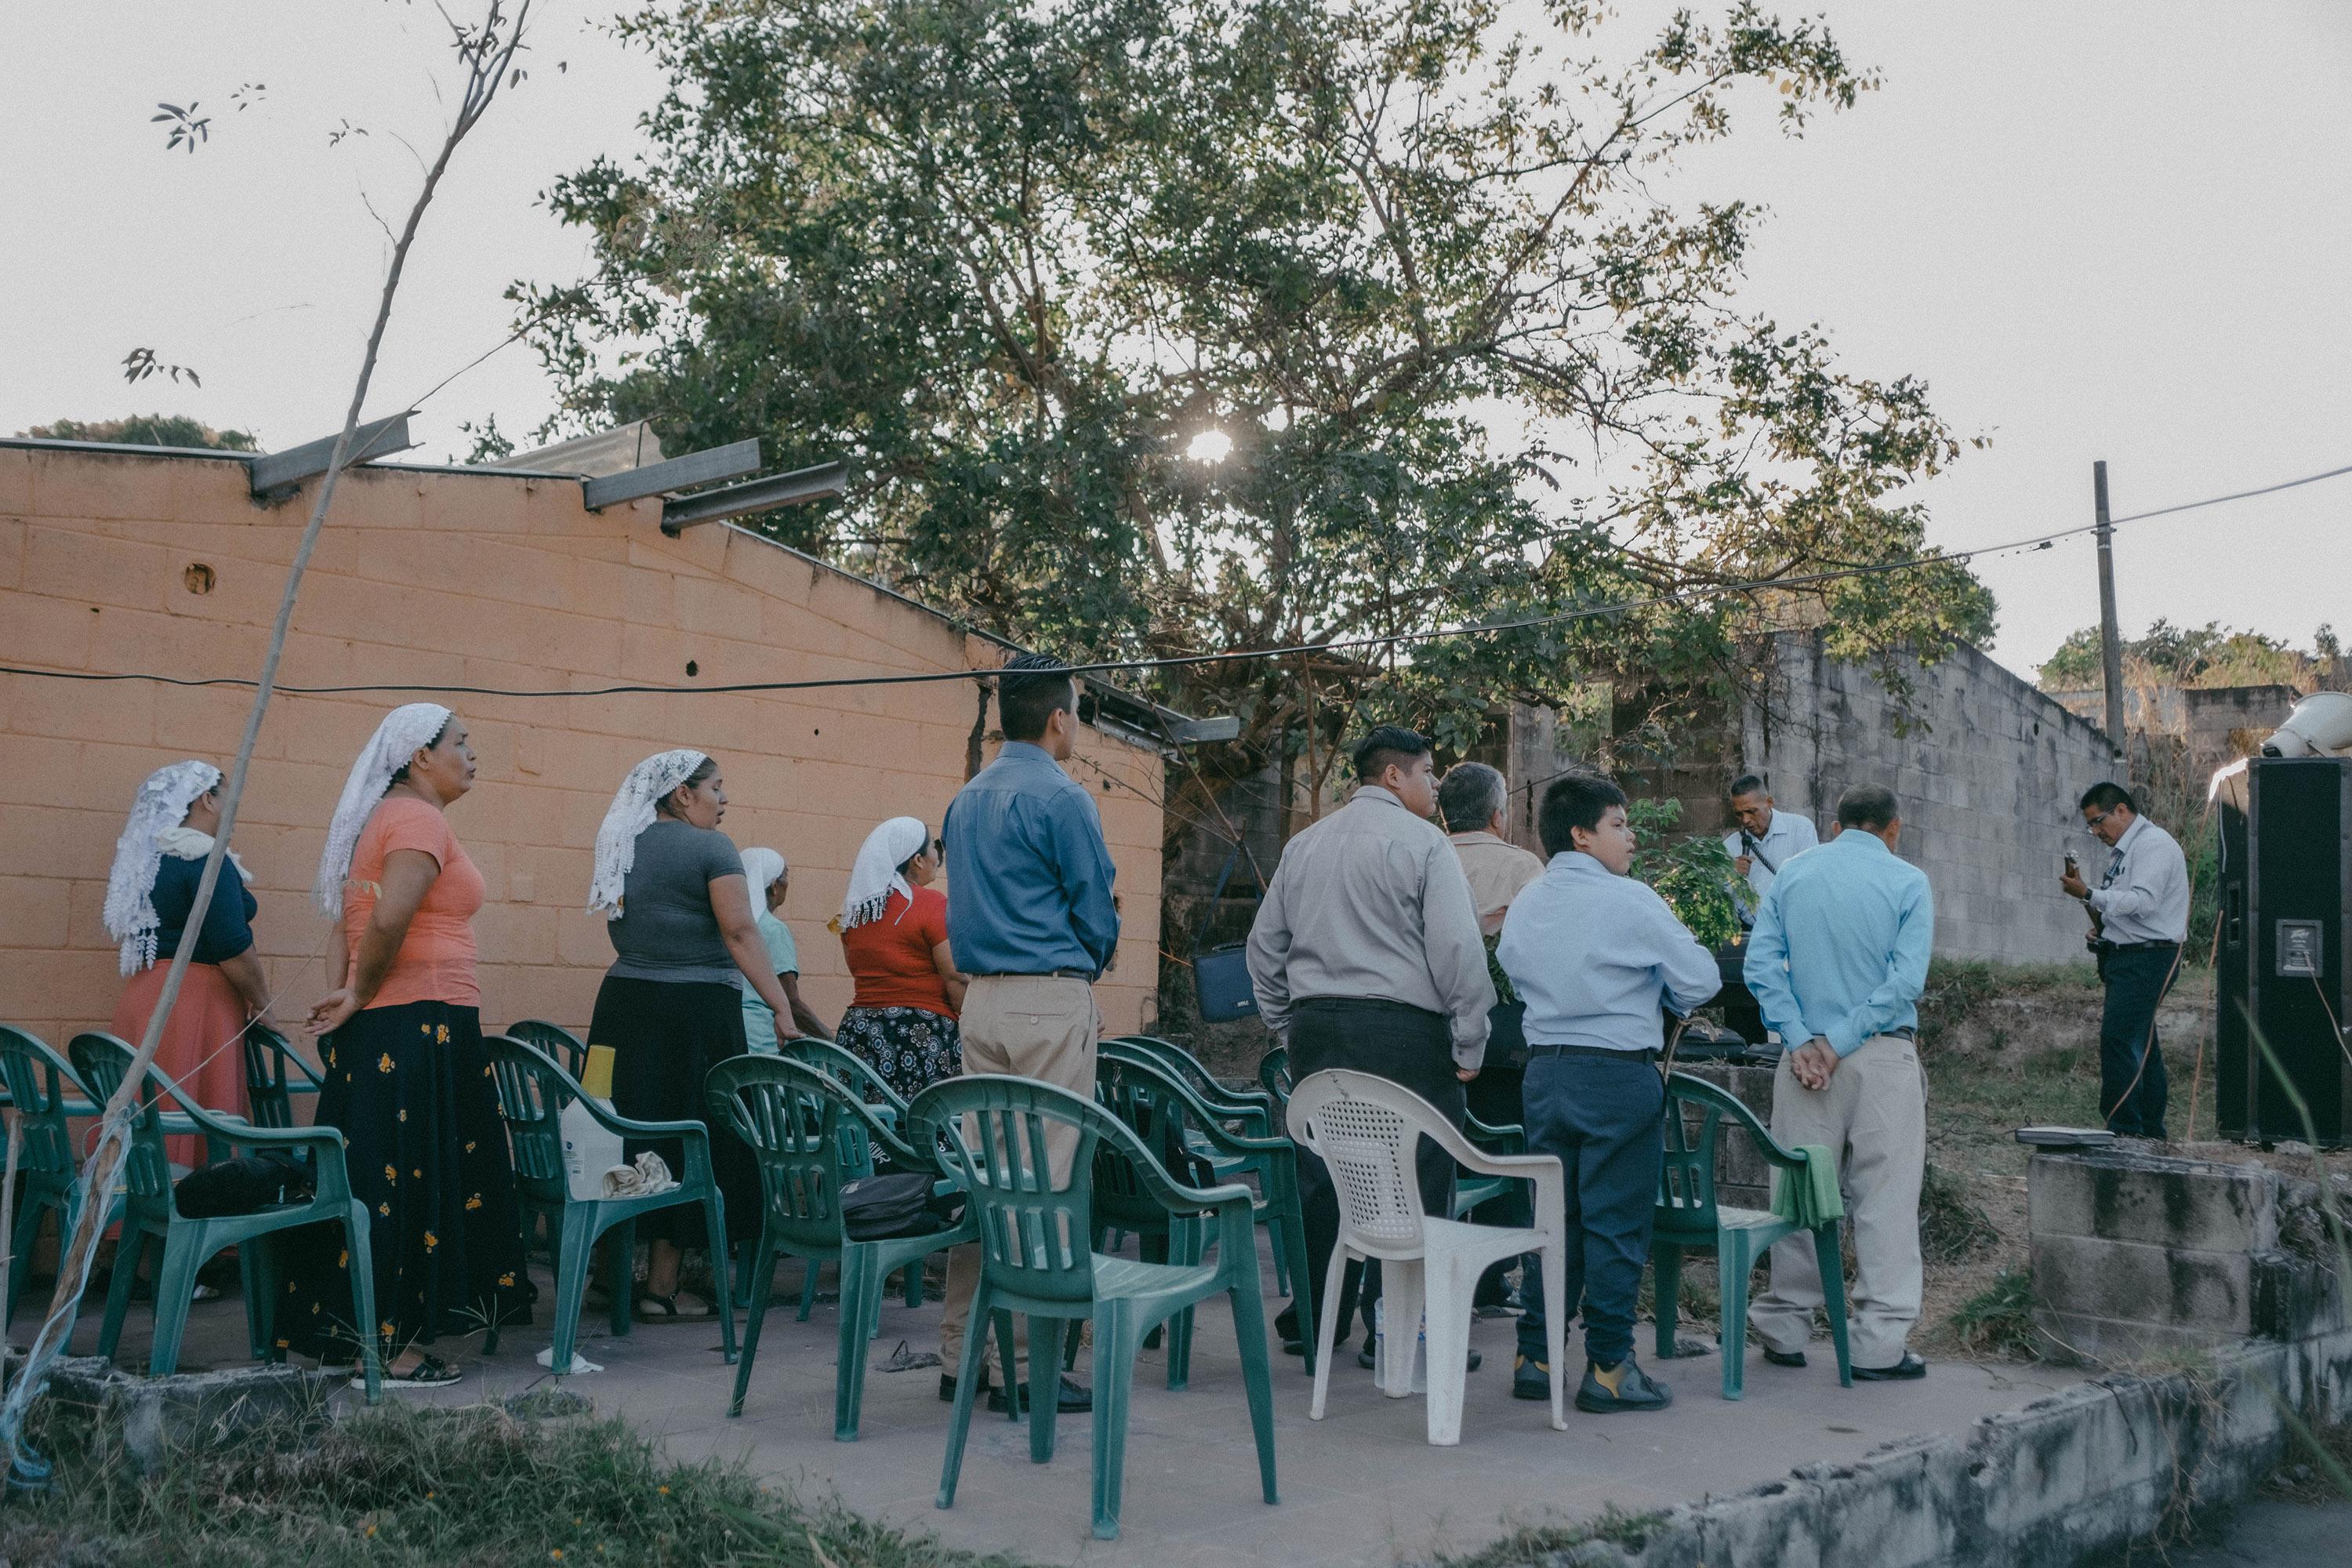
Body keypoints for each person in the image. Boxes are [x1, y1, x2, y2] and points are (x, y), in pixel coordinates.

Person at [294, 704, 529, 1389]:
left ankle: (363, 1335)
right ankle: (391, 1349)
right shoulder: (419, 819)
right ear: (420, 756)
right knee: (408, 1186)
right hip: (419, 1021)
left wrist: (347, 999)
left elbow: (347, 924)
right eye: (461, 742)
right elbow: (389, 918)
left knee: (384, 1181)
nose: (472, 754)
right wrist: (360, 995)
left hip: (399, 1024)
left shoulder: (384, 818)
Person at [1247, 724, 1495, 1365]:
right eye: (1428, 772)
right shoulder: (1425, 845)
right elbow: (1460, 953)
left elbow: (1263, 948)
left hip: (1318, 1031)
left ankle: (1317, 1316)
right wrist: (1470, 1042)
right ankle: (1400, 1329)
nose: (1436, 785)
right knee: (1419, 1175)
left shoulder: (1303, 846)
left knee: (1326, 1173)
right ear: (1394, 776)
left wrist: (1289, 1023)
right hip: (1406, 1035)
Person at [1497, 772, 1719, 1411]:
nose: (1631, 838)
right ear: (1582, 835)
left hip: (1544, 1075)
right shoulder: (1631, 900)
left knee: (1554, 1221)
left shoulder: (1530, 901)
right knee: (1615, 1225)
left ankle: (1536, 1357)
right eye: (1619, 825)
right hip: (1618, 1076)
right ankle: (1610, 1368)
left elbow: (1513, 972)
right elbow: (1700, 980)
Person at [937, 652, 1120, 1415]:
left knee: (986, 1184)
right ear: (1057, 717)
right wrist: (1084, 964)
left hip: (978, 1003)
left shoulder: (965, 800)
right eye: (1076, 710)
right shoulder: (1064, 798)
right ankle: (1023, 1367)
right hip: (1047, 1000)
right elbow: (1096, 914)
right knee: (1045, 1187)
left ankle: (960, 1353)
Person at [586, 750, 803, 1319]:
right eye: (717, 788)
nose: (724, 800)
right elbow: (739, 930)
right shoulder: (712, 848)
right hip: (695, 1012)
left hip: (619, 1008)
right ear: (683, 794)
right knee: (690, 1132)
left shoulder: (621, 846)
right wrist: (781, 1006)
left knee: (616, 1128)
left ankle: (608, 1277)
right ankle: (661, 1288)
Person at [1744, 782, 1933, 1381]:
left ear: (1834, 826)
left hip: (1803, 1064)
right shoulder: (1909, 882)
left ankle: (1784, 1328)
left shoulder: (1794, 876)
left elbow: (1760, 966)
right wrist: (1839, 1040)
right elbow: (1904, 985)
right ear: (1893, 828)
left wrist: (1803, 1039)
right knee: (1885, 1200)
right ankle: (1877, 1345)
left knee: (1798, 1196)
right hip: (1880, 1058)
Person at [103, 760, 278, 1165]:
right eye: (229, 798)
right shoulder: (202, 857)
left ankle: (134, 1215)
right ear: (207, 800)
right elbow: (230, 945)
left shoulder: (150, 861)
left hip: (145, 997)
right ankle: (186, 1214)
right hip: (194, 1000)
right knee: (188, 1111)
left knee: (147, 1110)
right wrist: (265, 1005)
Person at [1437, 760, 1544, 1312]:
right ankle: (1491, 1279)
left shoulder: (1425, 855)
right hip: (1506, 1037)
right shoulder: (1522, 865)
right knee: (1504, 1156)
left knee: (1441, 1155)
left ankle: (1443, 1271)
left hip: (1434, 1031)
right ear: (1499, 815)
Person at [2060, 782, 2187, 1139]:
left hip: (2150, 957)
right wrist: (2102, 926)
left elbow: (2144, 903)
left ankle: (2125, 1130)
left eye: (2099, 822)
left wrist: (2089, 893)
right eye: (2091, 826)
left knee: (2119, 1038)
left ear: (2121, 810)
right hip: (2130, 955)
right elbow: (2123, 909)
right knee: (2141, 1043)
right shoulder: (2127, 851)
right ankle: (2148, 1130)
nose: (2096, 832)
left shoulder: (2153, 845)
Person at [833, 817, 967, 1100]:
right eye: (934, 848)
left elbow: (857, 970)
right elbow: (955, 976)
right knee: (922, 1130)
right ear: (917, 860)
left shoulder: (854, 915)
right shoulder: (932, 904)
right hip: (921, 1036)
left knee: (871, 1128)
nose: (937, 856)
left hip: (860, 1033)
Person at [738, 847, 830, 1051]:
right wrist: (829, 1038)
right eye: (786, 876)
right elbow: (791, 1001)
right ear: (774, 886)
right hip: (762, 1039)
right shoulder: (773, 929)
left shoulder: (730, 926)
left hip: (728, 1034)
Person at [1723, 774, 1819, 927]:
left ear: (1769, 803)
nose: (1746, 820)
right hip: (1750, 934)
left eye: (1751, 811)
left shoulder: (1800, 829)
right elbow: (1722, 900)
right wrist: (1729, 875)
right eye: (1739, 814)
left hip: (1793, 928)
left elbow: (1811, 883)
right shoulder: (1730, 846)